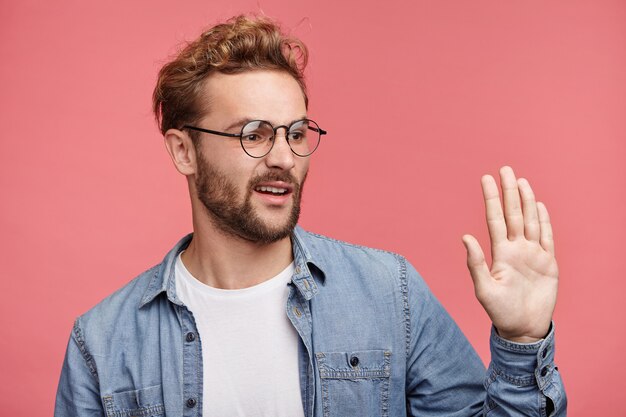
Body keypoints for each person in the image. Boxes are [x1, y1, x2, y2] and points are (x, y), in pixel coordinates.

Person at [54, 14, 566, 417]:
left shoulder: (392, 295)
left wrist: (522, 341)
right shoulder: (102, 343)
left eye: (296, 133)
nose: (283, 157)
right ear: (184, 151)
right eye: (253, 134)